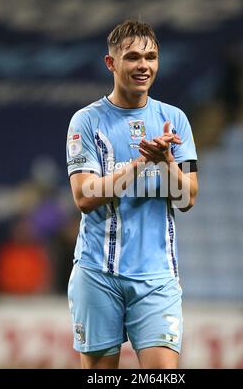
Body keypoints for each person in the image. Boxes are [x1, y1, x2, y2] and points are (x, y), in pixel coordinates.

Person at [66, 19, 198, 369]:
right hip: (97, 273)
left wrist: (167, 161)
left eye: (151, 57)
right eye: (133, 57)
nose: (144, 66)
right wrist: (140, 163)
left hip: (157, 277)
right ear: (111, 63)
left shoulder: (175, 120)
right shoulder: (86, 121)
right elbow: (84, 195)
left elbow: (187, 199)